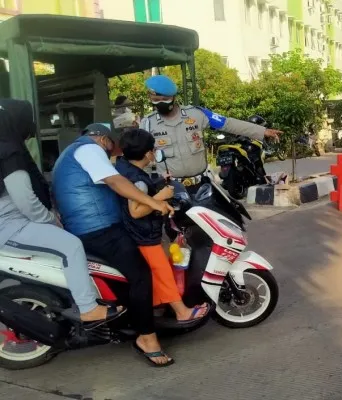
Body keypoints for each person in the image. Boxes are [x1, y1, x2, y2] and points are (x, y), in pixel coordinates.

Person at [52, 123, 176, 367]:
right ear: (102, 139)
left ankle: (131, 322)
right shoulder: (90, 149)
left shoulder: (70, 154)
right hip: (99, 229)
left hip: (86, 227)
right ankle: (147, 340)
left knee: (127, 274)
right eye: (112, 142)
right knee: (141, 275)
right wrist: (154, 203)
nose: (114, 148)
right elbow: (117, 182)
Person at [0, 99, 124, 325]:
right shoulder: (9, 152)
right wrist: (50, 221)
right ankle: (88, 308)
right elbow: (25, 199)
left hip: (11, 220)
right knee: (70, 245)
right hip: (9, 224)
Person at [115, 128, 209, 322]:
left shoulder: (124, 168)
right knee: (163, 273)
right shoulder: (138, 180)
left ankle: (157, 307)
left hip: (136, 233)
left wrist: (156, 183)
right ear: (149, 153)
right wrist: (161, 196)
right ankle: (182, 312)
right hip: (144, 236)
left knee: (158, 271)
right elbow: (136, 211)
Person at [140, 74, 282, 191]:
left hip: (201, 185)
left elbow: (227, 123)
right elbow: (142, 158)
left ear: (174, 97)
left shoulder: (197, 114)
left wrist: (262, 131)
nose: (160, 103)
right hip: (170, 188)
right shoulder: (147, 124)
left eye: (165, 99)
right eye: (155, 100)